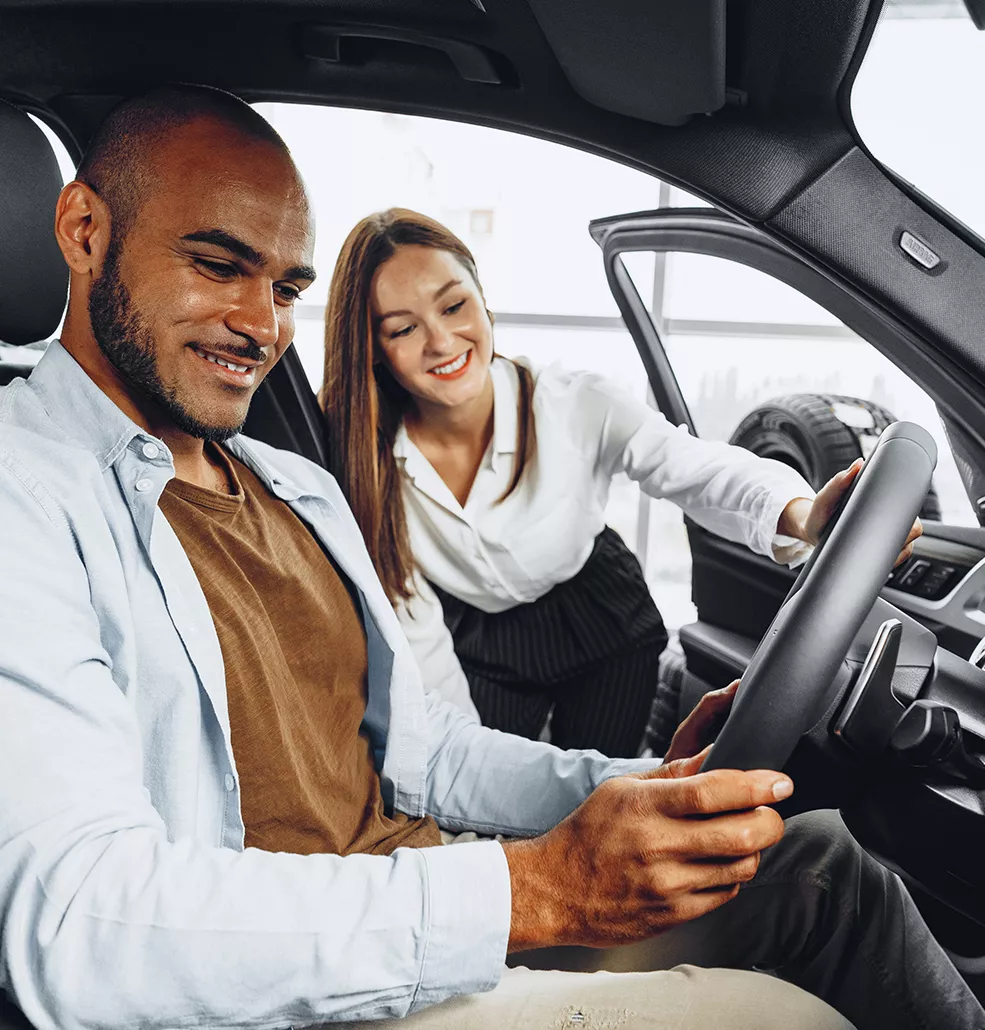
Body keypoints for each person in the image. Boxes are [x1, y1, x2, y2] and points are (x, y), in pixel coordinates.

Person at [0, 83, 976, 1030]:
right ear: (84, 230)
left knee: (823, 866)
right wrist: (533, 886)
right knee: (777, 1019)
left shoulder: (291, 486)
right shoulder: (23, 490)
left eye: (286, 286)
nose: (262, 326)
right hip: (284, 987)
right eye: (218, 266)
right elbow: (80, 922)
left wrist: (627, 787)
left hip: (429, 903)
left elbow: (422, 750)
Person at [320, 209, 921, 756]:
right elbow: (423, 656)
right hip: (479, 638)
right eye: (402, 329)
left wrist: (799, 514)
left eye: (454, 306)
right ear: (373, 349)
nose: (442, 342)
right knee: (492, 783)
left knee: (598, 787)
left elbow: (695, 467)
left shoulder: (573, 402)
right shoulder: (366, 466)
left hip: (601, 615)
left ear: (484, 299)